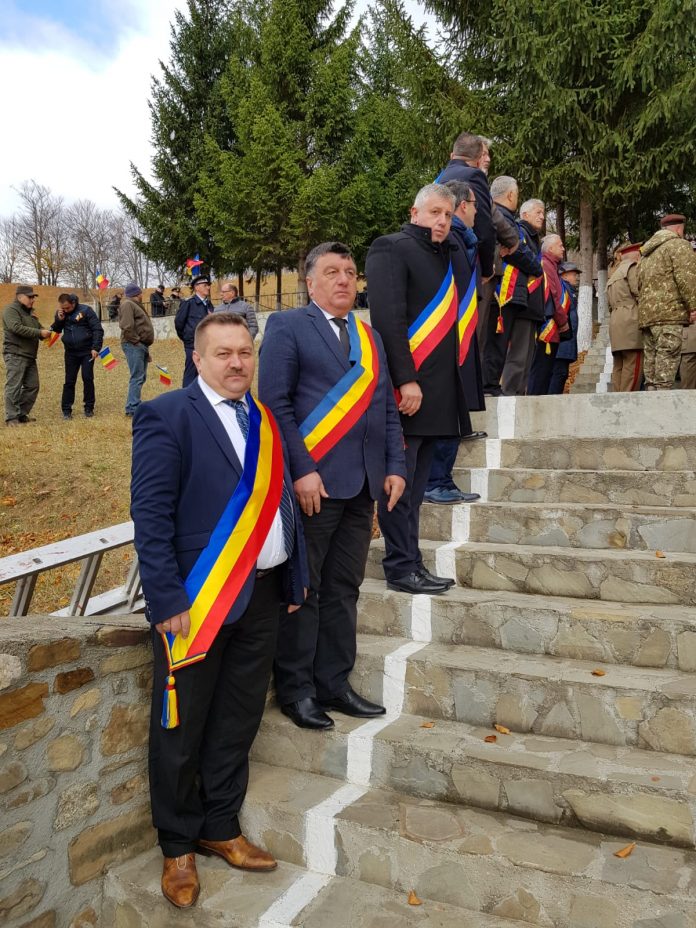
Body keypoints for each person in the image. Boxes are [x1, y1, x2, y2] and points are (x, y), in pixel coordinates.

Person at [131, 312, 307, 909]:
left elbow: (281, 507)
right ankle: (178, 845)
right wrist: (166, 598)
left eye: (244, 353)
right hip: (198, 604)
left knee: (237, 720)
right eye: (223, 353)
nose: (237, 363)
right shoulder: (166, 415)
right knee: (181, 729)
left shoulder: (265, 420)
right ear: (198, 359)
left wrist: (294, 578)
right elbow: (151, 515)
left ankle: (220, 825)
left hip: (263, 596)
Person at [259, 242, 406, 730]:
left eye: (349, 271)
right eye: (331, 272)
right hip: (314, 485)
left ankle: (334, 683)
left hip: (362, 484)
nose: (344, 280)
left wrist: (395, 465)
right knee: (305, 588)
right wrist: (301, 470)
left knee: (346, 588)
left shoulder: (369, 337)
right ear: (310, 282)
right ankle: (297, 690)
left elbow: (384, 407)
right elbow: (275, 405)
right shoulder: (287, 326)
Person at [366, 183, 474, 595]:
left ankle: (412, 562)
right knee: (400, 483)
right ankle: (399, 566)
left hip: (439, 393)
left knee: (416, 489)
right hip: (408, 392)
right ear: (415, 213)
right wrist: (405, 379)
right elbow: (388, 320)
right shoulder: (391, 248)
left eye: (448, 214)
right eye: (434, 213)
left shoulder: (446, 255)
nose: (442, 221)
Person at [425, 180, 486, 504]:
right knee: (445, 409)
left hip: (457, 334)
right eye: (474, 204)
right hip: (442, 336)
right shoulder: (449, 241)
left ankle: (442, 479)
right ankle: (435, 480)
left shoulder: (461, 240)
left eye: (446, 215)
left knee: (454, 407)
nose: (476, 211)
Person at [435, 133, 518, 370]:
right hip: (470, 264)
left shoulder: (440, 178)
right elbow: (485, 224)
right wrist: (486, 267)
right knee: (473, 332)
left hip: (443, 260)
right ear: (479, 157)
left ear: (453, 154)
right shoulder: (474, 176)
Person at [484, 176, 544, 395]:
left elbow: (516, 250)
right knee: (496, 346)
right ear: (511, 195)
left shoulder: (504, 218)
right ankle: (490, 387)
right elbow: (519, 252)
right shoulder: (502, 218)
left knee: (503, 349)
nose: (542, 217)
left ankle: (492, 387)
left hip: (508, 292)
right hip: (502, 292)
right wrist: (535, 266)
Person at [638, 214, 696, 390]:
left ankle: (651, 399)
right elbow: (687, 279)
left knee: (651, 368)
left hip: (648, 317)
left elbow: (639, 283)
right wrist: (693, 307)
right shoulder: (679, 245)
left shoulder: (646, 253)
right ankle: (662, 403)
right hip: (670, 314)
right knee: (666, 366)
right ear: (679, 228)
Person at [498, 198, 546, 395]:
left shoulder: (533, 237)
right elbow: (522, 259)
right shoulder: (520, 232)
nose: (542, 217)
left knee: (526, 359)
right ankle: (510, 396)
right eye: (538, 212)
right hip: (521, 302)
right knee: (517, 357)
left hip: (531, 305)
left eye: (543, 213)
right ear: (525, 214)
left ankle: (519, 397)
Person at [527, 234, 570, 395]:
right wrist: (562, 320)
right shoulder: (546, 265)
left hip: (553, 326)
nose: (563, 249)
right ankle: (534, 403)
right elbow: (552, 295)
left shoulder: (553, 266)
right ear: (550, 248)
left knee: (546, 373)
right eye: (560, 245)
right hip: (547, 326)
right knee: (540, 372)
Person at [3, 284, 51, 426]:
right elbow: (15, 327)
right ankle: (11, 418)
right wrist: (39, 332)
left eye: (33, 297)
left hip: (30, 355)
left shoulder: (31, 313)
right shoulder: (10, 310)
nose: (33, 300)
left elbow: (39, 328)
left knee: (32, 386)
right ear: (19, 297)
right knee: (14, 386)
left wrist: (47, 333)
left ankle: (21, 414)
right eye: (30, 297)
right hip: (15, 353)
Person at [51, 294, 104, 419]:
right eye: (63, 308)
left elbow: (97, 329)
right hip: (70, 353)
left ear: (73, 303)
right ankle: (66, 410)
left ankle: (89, 407)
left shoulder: (86, 310)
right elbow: (56, 330)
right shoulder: (61, 313)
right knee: (69, 381)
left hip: (87, 351)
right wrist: (59, 319)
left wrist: (95, 347)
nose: (66, 310)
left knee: (87, 378)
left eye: (68, 308)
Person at [607, 242, 643, 392]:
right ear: (637, 255)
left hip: (616, 321)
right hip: (631, 319)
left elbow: (609, 304)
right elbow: (639, 293)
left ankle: (617, 397)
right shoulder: (632, 268)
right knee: (634, 364)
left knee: (619, 365)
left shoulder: (613, 275)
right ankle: (628, 398)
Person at [119, 281, 154, 417]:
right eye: (140, 293)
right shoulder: (127, 304)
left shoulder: (135, 305)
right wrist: (137, 342)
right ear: (136, 293)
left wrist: (145, 349)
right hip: (133, 344)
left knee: (141, 376)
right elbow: (127, 326)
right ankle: (132, 408)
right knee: (137, 376)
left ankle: (134, 403)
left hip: (139, 345)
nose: (141, 295)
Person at [175, 276, 214, 387]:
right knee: (191, 374)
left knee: (205, 373)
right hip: (193, 345)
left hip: (208, 345)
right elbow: (179, 323)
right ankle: (186, 396)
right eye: (205, 285)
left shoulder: (209, 304)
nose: (208, 288)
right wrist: (187, 339)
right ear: (197, 288)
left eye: (208, 285)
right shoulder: (189, 303)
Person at [548, 261, 580, 394]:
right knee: (559, 373)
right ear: (564, 275)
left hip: (565, 342)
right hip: (562, 341)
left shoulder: (569, 290)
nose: (576, 277)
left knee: (560, 373)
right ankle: (551, 401)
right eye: (574, 274)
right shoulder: (564, 289)